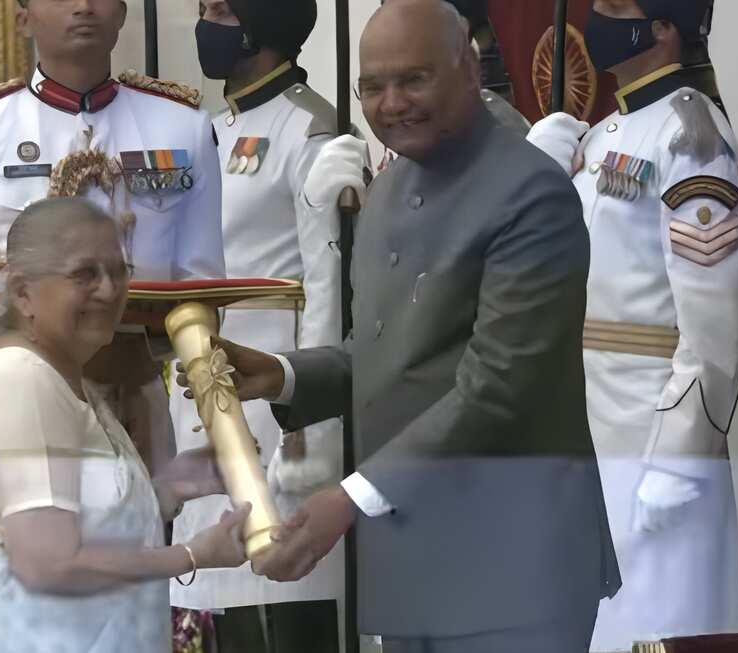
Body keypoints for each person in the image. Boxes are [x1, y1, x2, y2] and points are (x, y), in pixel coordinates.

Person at [177, 2, 620, 651]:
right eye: (373, 87)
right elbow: (385, 349)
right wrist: (282, 373)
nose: (391, 104)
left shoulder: (529, 193)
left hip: (514, 567)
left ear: (468, 69)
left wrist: (350, 496)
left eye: (413, 80)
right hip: (413, 565)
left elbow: (495, 386)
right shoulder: (388, 186)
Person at [0, 198, 249, 653]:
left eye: (118, 270)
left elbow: (78, 514)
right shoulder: (18, 379)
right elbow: (49, 564)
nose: (109, 290)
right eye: (84, 274)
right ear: (23, 292)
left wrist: (173, 485)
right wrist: (191, 555)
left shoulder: (61, 374)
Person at [526, 1, 738, 649]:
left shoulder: (692, 137)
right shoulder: (601, 137)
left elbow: (715, 322)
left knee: (659, 629)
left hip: (653, 435)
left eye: (617, 7)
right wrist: (534, 177)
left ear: (663, 27)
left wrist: (682, 460)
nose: (598, 16)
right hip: (587, 431)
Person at [0, 0, 225, 474]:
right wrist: (32, 349)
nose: (83, 6)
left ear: (123, 13)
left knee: (142, 542)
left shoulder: (181, 125)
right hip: (16, 405)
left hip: (136, 403)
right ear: (22, 19)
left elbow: (203, 290)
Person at [170, 1, 347, 651]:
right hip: (199, 414)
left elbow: (328, 299)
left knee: (274, 620)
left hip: (272, 429)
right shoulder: (206, 130)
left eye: (219, 7)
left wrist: (313, 446)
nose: (205, 20)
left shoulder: (311, 131)